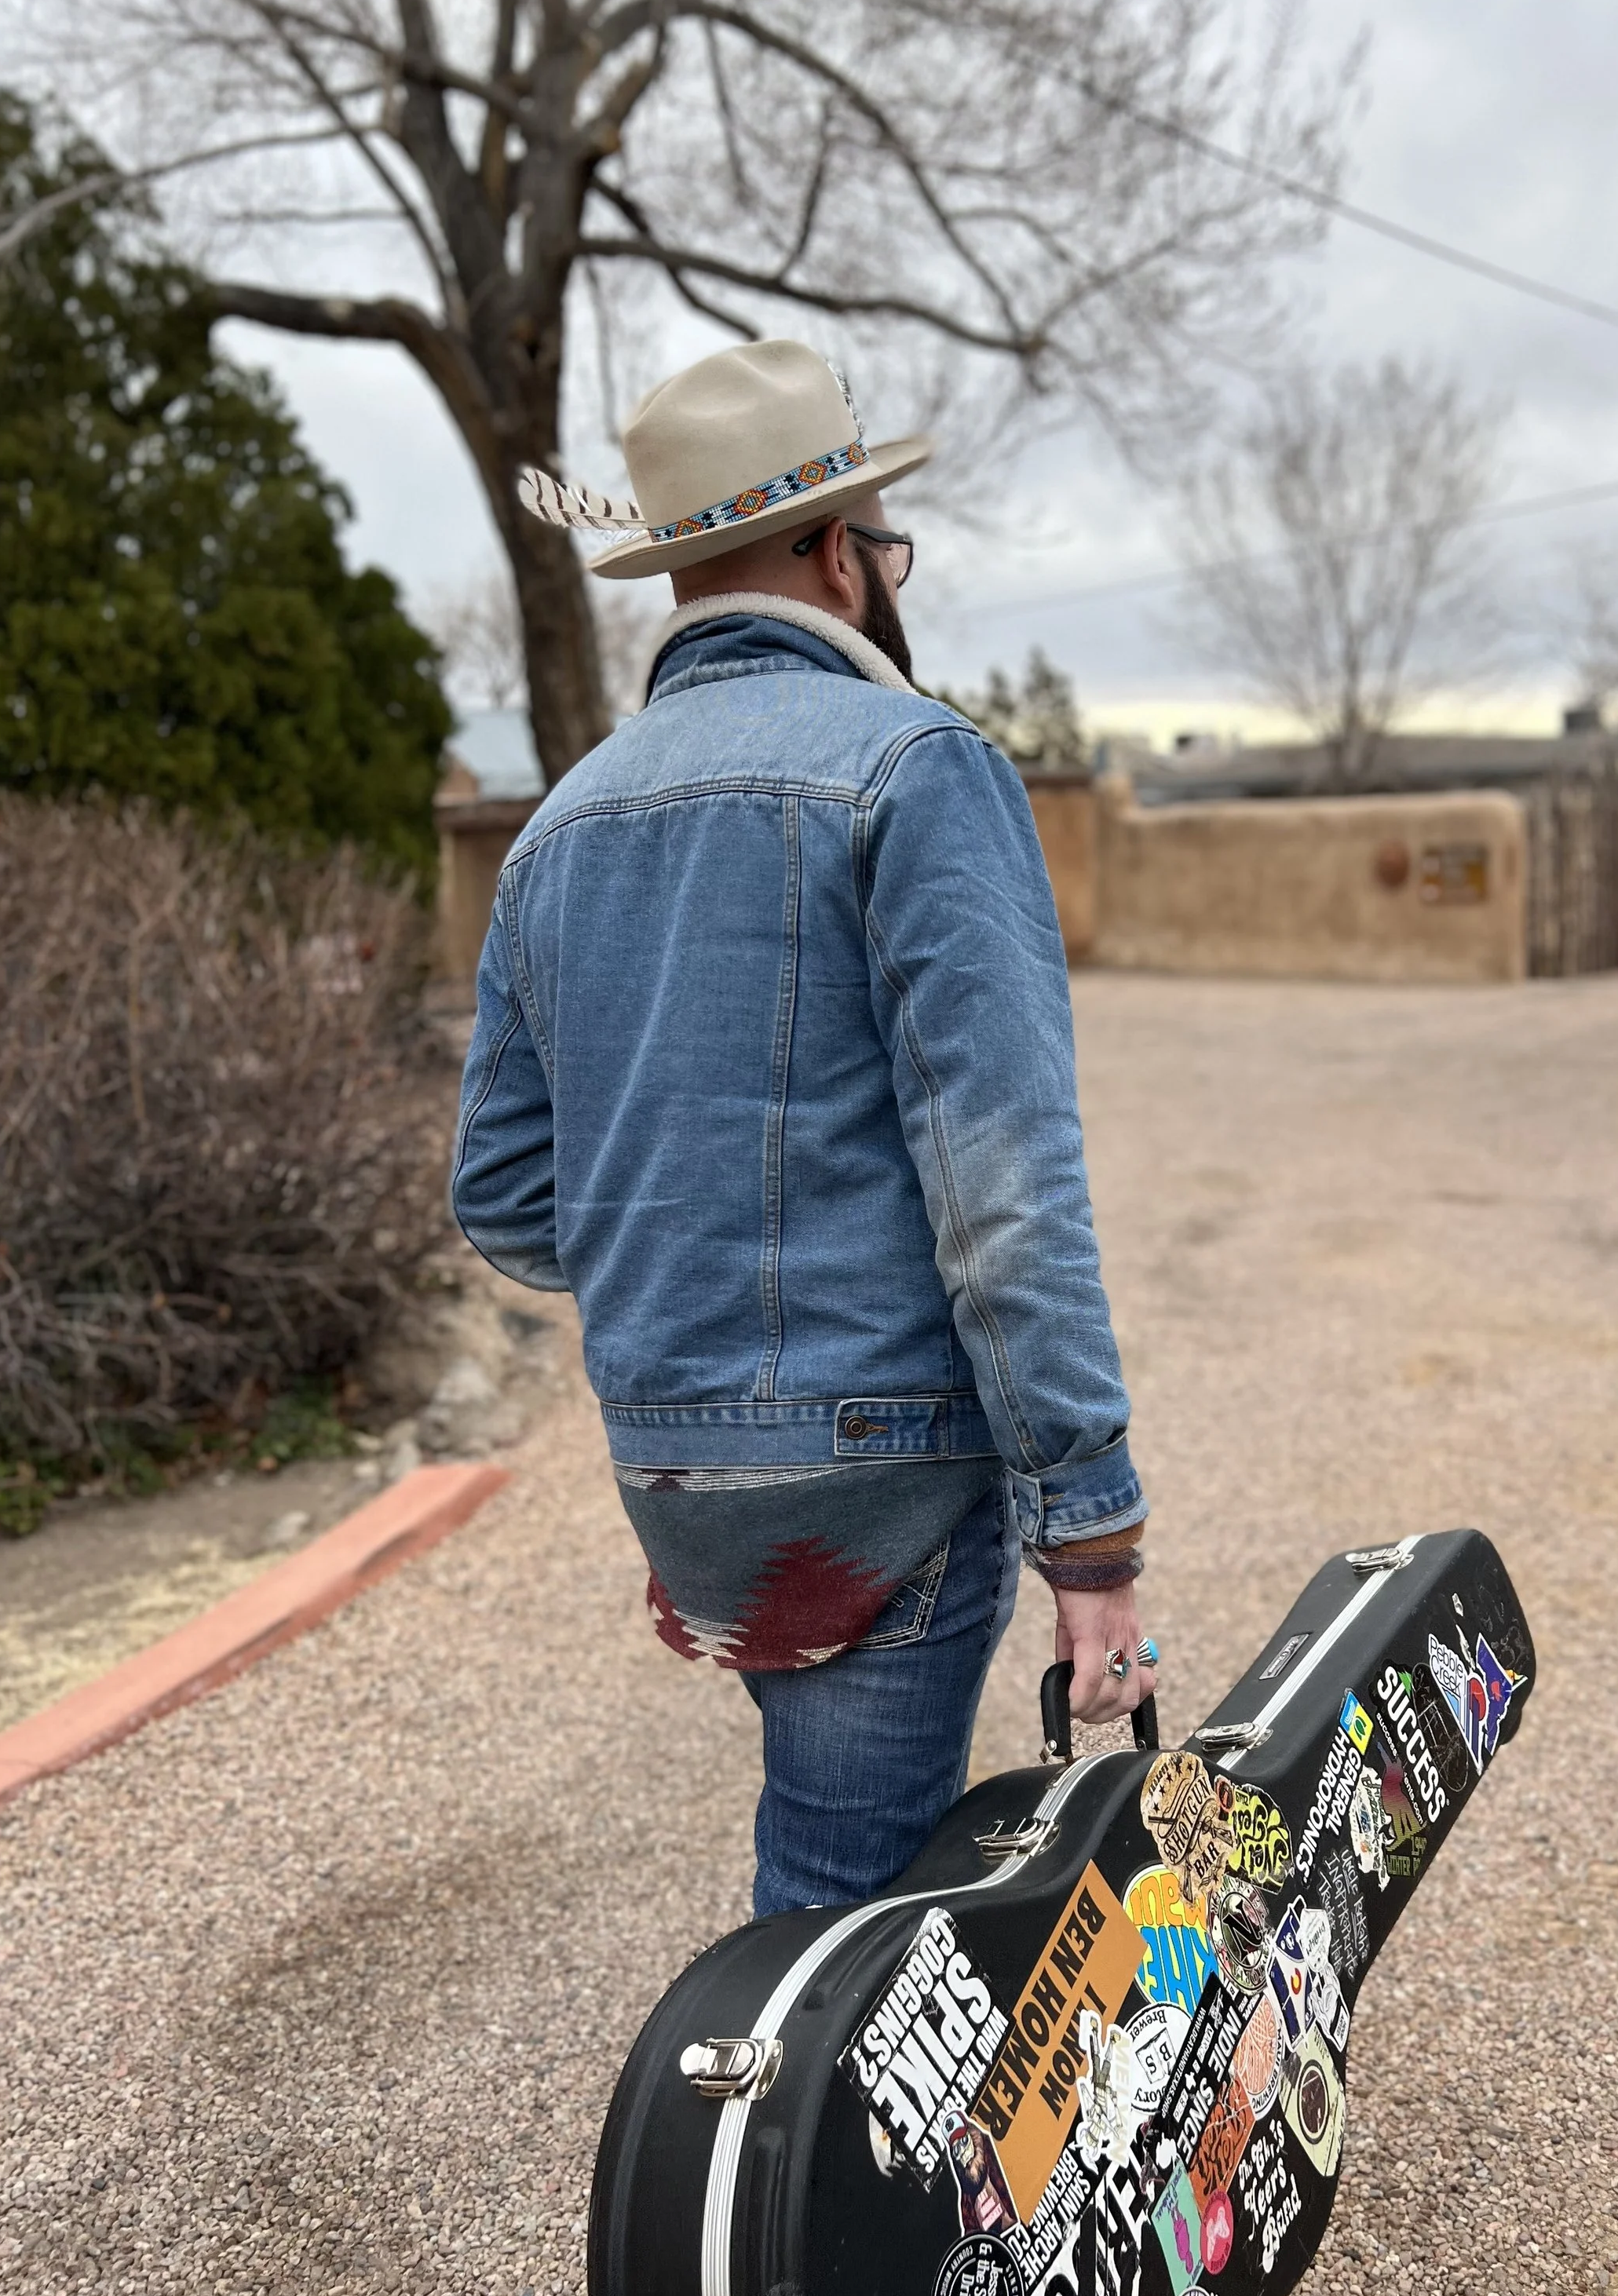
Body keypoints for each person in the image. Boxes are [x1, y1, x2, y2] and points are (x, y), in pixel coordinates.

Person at [453, 338, 1155, 1915]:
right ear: (840, 554)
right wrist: (1091, 1535)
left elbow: (502, 1201)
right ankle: (777, 2165)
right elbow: (1003, 1195)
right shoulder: (918, 768)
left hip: (673, 1472)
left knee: (836, 1875)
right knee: (842, 1924)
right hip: (884, 1471)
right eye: (881, 544)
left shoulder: (554, 826)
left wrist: (686, 1249)